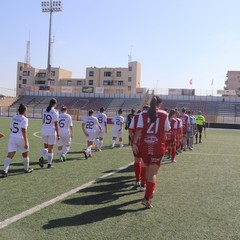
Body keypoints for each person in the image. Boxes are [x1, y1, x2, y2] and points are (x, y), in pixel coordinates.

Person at [132, 96, 170, 208]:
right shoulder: (164, 114)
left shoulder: (142, 115)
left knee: (148, 171)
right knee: (153, 173)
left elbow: (138, 130)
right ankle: (147, 198)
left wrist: (134, 143)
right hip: (158, 145)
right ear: (160, 104)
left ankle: (148, 193)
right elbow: (167, 129)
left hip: (144, 145)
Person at [1, 104, 33, 177]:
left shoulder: (14, 117)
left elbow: (11, 128)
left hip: (12, 137)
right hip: (20, 138)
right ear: (24, 111)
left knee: (9, 155)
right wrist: (26, 142)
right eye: (26, 110)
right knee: (25, 154)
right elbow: (24, 130)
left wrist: (14, 133)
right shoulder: (25, 119)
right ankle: (26, 169)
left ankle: (4, 171)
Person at [129, 105, 149, 191]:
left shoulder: (137, 116)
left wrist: (133, 139)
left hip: (136, 141)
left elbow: (130, 129)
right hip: (146, 142)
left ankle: (137, 180)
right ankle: (143, 185)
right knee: (144, 163)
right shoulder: (150, 116)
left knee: (137, 160)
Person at [39, 98, 59, 168]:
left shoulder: (44, 110)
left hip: (44, 129)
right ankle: (49, 164)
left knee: (45, 147)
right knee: (50, 149)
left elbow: (43, 120)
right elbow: (56, 124)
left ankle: (42, 156)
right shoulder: (55, 111)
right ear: (55, 104)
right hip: (51, 131)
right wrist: (58, 134)